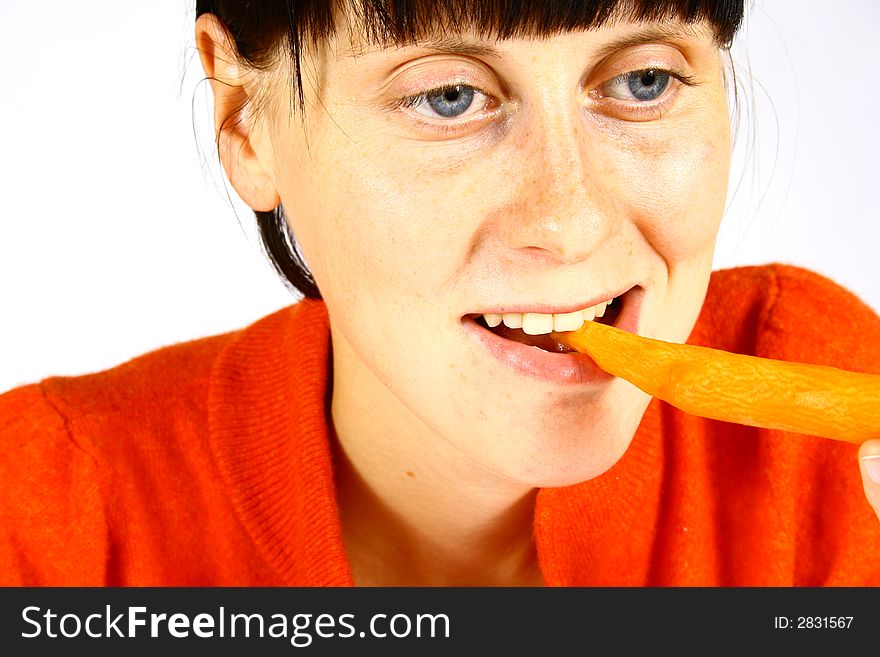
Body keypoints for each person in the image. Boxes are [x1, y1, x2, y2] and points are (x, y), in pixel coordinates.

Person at [1, 0, 878, 587]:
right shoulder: (43, 523)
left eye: (642, 81)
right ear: (243, 119)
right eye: (450, 96)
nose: (569, 226)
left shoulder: (822, 452)